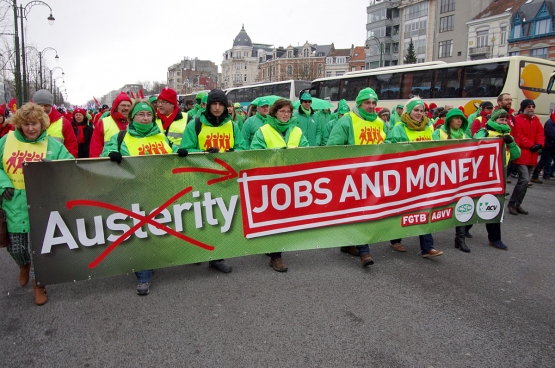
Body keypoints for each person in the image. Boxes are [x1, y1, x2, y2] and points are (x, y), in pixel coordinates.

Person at [101, 100, 182, 295]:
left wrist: (184, 152)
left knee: (158, 231)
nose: (145, 118)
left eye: (149, 115)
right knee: (141, 233)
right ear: (132, 117)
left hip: (162, 191)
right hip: (135, 193)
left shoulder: (162, 137)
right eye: (141, 115)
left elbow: (174, 153)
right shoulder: (120, 137)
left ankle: (154, 260)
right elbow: (103, 157)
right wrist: (110, 155)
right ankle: (143, 275)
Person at [0, 103, 73, 305]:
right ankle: (23, 264)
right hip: (14, 203)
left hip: (42, 202)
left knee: (39, 248)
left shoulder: (53, 145)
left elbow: (69, 165)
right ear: (19, 125)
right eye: (26, 124)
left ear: (42, 124)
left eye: (34, 124)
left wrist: (54, 171)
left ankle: (38, 284)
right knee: (16, 248)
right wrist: (3, 184)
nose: (31, 128)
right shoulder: (6, 141)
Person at [180, 89, 245, 273]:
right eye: (214, 104)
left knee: (220, 218)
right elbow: (185, 150)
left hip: (226, 177)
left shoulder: (232, 125)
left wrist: (235, 153)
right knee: (199, 216)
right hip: (201, 177)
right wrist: (204, 154)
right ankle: (197, 250)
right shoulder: (196, 124)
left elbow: (242, 147)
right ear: (208, 105)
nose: (217, 108)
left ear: (225, 106)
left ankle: (217, 256)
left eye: (221, 104)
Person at [327, 87, 387, 268]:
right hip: (352, 177)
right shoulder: (347, 121)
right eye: (367, 103)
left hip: (373, 175)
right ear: (359, 104)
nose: (371, 106)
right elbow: (333, 147)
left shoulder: (379, 123)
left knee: (362, 211)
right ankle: (364, 252)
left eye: (373, 103)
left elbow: (386, 145)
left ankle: (347, 244)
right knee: (361, 211)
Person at [250, 99, 309, 272]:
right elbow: (255, 156)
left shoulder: (297, 131)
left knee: (284, 218)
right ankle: (276, 257)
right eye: (282, 111)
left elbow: (307, 152)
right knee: (274, 218)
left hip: (291, 182)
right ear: (275, 112)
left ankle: (272, 247)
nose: (285, 114)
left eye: (288, 112)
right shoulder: (263, 131)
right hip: (270, 182)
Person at [385, 97, 442, 258]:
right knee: (403, 209)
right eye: (416, 110)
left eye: (421, 110)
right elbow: (389, 148)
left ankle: (427, 247)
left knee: (425, 209)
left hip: (425, 177)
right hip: (405, 177)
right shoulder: (399, 127)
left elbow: (438, 148)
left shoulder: (429, 127)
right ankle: (395, 239)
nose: (419, 113)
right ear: (408, 111)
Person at [473, 109, 521, 250]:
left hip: (498, 178)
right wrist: (486, 132)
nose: (504, 122)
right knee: (474, 202)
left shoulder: (507, 135)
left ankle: (495, 238)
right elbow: (474, 143)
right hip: (482, 176)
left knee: (494, 206)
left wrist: (510, 143)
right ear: (493, 120)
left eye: (506, 120)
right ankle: (464, 230)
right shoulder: (486, 132)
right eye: (501, 119)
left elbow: (516, 154)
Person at [432, 108, 472, 252]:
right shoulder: (438, 133)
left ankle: (460, 239)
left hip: (460, 177)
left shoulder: (465, 135)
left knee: (461, 205)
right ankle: (427, 241)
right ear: (449, 120)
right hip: (441, 176)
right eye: (456, 118)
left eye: (461, 119)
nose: (459, 121)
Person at [508, 99, 544, 216]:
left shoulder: (536, 120)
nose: (531, 108)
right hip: (522, 154)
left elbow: (540, 133)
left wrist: (539, 144)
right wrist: (531, 145)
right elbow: (518, 136)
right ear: (523, 107)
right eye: (529, 106)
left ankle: (518, 204)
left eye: (533, 106)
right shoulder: (517, 119)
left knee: (525, 181)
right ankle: (512, 204)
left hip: (532, 155)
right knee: (523, 179)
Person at [31, 89, 78, 157]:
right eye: (39, 105)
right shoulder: (25, 122)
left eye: (46, 106)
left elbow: (71, 146)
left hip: (56, 165)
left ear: (51, 106)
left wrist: (68, 165)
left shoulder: (63, 123)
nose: (43, 109)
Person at [89, 92, 132, 157]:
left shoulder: (136, 122)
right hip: (108, 164)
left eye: (129, 106)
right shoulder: (103, 123)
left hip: (131, 164)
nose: (126, 108)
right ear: (116, 107)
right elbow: (95, 148)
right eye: (123, 105)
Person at [530, 110, 555, 183]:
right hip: (548, 145)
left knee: (544, 161)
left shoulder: (552, 122)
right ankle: (535, 176)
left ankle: (548, 173)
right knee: (543, 161)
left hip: (551, 145)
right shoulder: (550, 122)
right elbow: (552, 135)